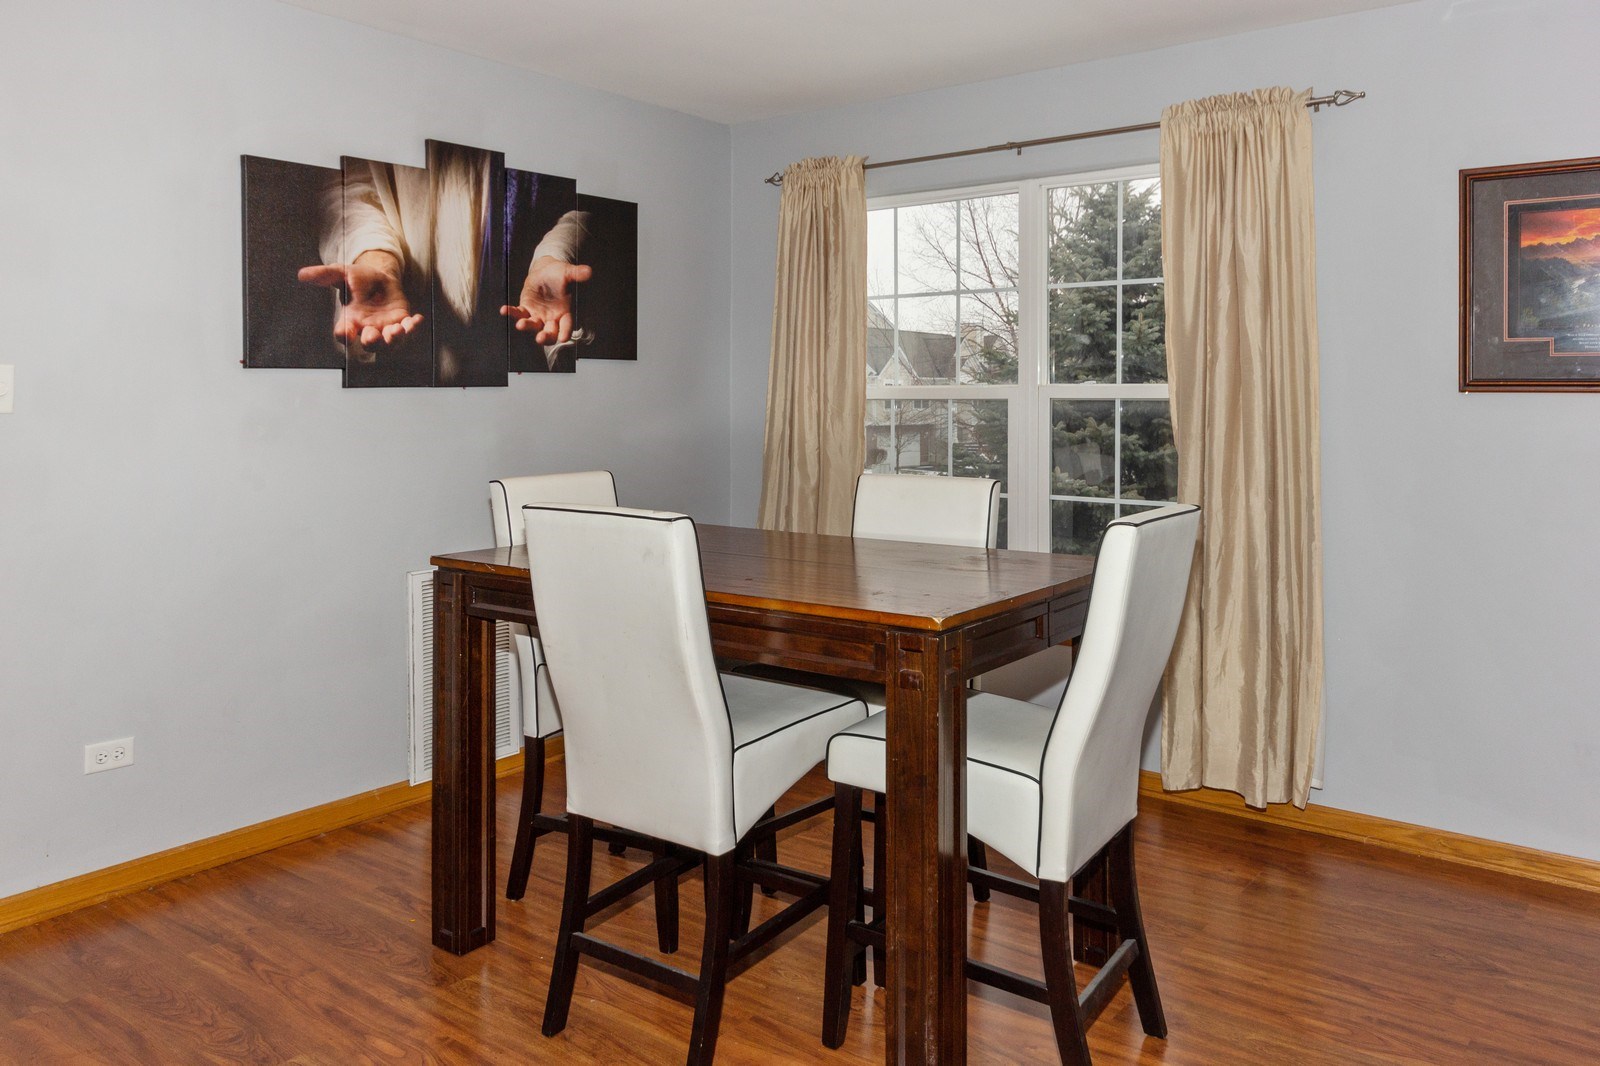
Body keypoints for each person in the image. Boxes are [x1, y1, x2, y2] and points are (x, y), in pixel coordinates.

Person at [297, 154, 591, 377]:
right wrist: (377, 259)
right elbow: (347, 186)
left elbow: (584, 200)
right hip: (417, 357)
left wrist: (557, 251)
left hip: (526, 357)